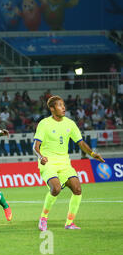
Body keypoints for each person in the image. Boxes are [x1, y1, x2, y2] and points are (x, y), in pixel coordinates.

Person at [33, 95, 105, 230]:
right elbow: (35, 146)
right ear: (52, 108)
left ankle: (69, 223)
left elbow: (81, 142)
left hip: (64, 163)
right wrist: (41, 156)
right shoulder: (44, 123)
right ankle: (43, 218)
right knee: (56, 189)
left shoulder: (70, 123)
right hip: (48, 162)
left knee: (77, 189)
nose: (63, 107)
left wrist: (92, 154)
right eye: (60, 105)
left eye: (63, 104)